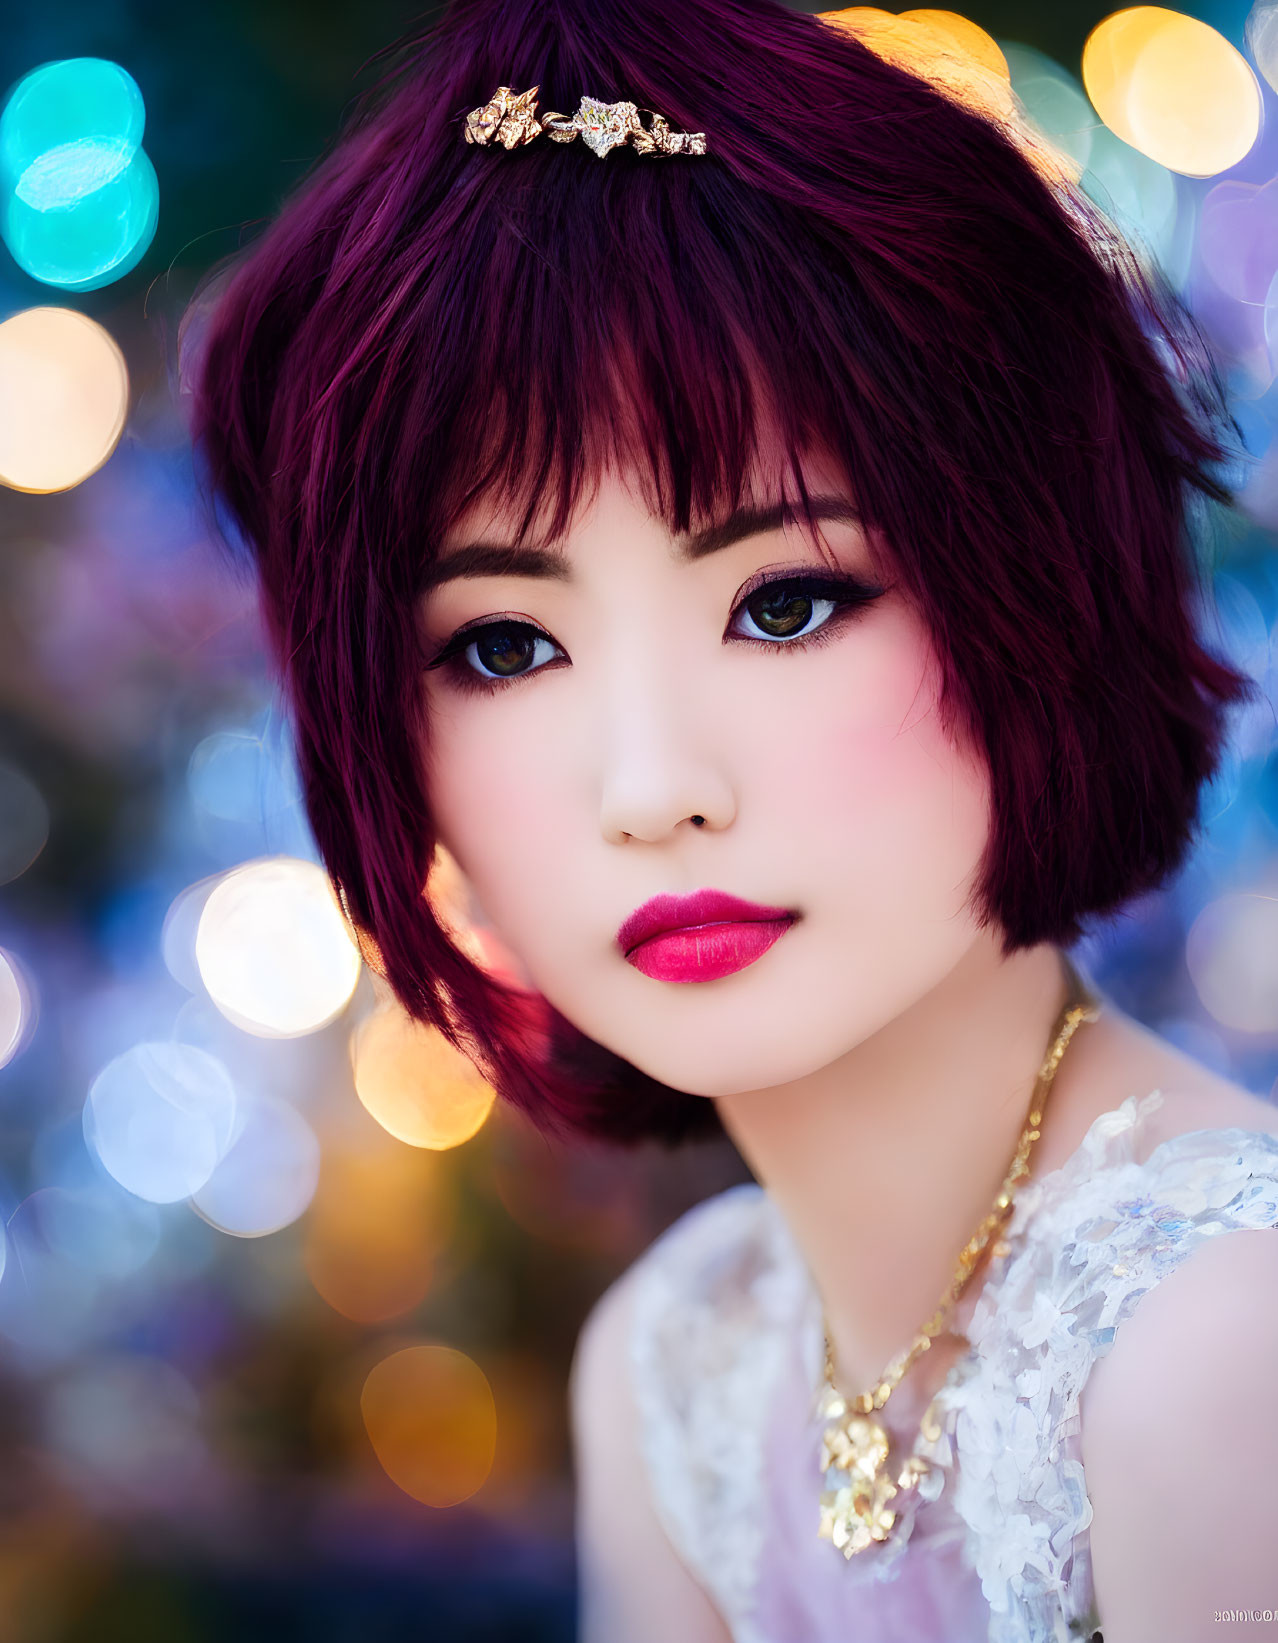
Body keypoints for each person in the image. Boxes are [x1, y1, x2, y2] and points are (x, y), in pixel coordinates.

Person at [180, 0, 1278, 1637]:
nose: (651, 789)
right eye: (503, 645)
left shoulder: (1218, 1352)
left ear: (1037, 585)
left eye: (784, 604)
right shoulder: (680, 1361)